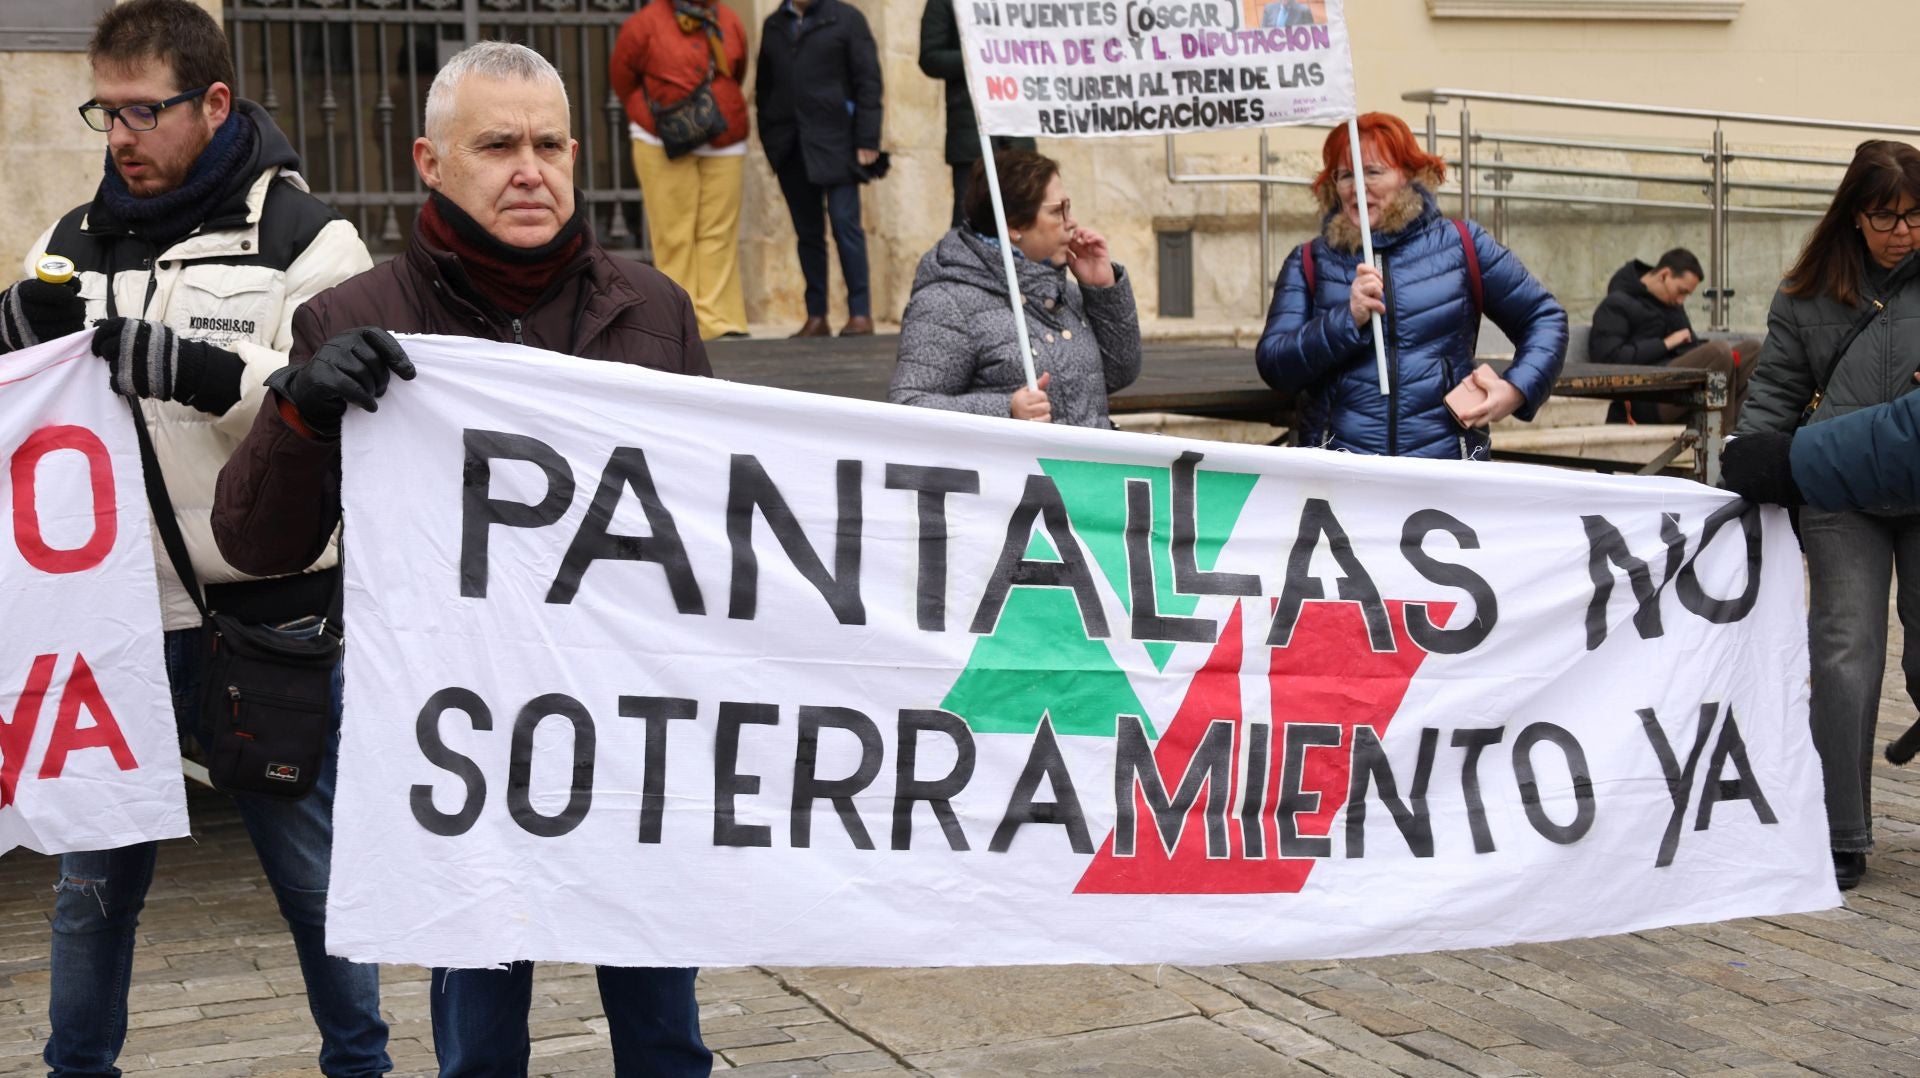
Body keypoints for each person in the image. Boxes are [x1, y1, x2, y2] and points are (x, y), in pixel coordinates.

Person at [210, 41, 711, 1077]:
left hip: (628, 737)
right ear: (430, 161)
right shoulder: (355, 318)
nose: (529, 168)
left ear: (578, 153)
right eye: (496, 146)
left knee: (665, 1036)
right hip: (460, 747)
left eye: (548, 144)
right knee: (477, 1044)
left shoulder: (654, 310)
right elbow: (257, 541)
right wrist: (299, 412)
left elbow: (716, 525)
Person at [0, 1, 388, 1075]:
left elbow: (345, 408)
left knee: (312, 886)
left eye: (143, 111)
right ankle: (77, 1068)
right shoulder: (72, 237)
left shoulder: (309, 238)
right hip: (106, 621)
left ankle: (362, 1065)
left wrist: (202, 371)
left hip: (262, 610)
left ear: (214, 103)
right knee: (89, 895)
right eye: (105, 112)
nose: (120, 136)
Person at [1731, 138, 1920, 892]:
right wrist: (1749, 460)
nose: (1902, 233)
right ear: (1852, 217)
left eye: (1914, 216)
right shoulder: (1806, 292)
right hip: (1839, 494)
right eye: (1885, 218)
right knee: (1845, 653)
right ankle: (1840, 831)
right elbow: (1775, 392)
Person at [1255, 112, 1567, 458]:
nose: (1358, 185)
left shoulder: (1462, 244)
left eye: (1373, 171)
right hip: (1340, 477)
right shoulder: (1309, 261)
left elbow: (1544, 317)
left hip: (1444, 470)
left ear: (1408, 175)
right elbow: (1276, 365)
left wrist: (1517, 388)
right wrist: (1347, 318)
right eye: (1346, 175)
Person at [890, 150, 1140, 426]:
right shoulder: (947, 303)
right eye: (1057, 211)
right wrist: (1006, 410)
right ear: (1014, 226)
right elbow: (908, 406)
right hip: (1014, 469)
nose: (1072, 223)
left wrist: (1103, 289)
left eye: (1068, 207)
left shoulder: (1061, 292)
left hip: (1086, 466)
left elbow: (1118, 374)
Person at [610, 0, 751, 340]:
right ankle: (680, 319)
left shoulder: (728, 20)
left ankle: (720, 319)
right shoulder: (644, 25)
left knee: (718, 233)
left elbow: (738, 70)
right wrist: (650, 119)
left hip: (724, 139)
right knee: (674, 234)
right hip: (662, 141)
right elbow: (623, 80)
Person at [756, 0, 883, 338]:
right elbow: (764, 88)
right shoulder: (773, 26)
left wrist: (867, 137)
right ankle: (817, 315)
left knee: (845, 225)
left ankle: (860, 312)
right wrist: (771, 138)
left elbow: (868, 80)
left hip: (837, 141)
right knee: (807, 233)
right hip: (790, 143)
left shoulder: (846, 19)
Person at [1589, 247, 1758, 429]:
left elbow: (1690, 347)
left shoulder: (1673, 306)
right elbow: (1608, 359)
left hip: (1682, 387)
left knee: (1752, 350)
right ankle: (1725, 439)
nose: (1681, 300)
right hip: (1647, 396)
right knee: (1718, 351)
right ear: (1664, 275)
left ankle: (1740, 431)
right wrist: (1665, 344)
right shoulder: (1616, 304)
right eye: (1681, 291)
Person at [918, 0, 1034, 229]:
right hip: (971, 133)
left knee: (1025, 218)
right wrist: (980, 55)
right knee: (970, 221)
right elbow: (930, 58)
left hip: (1017, 125)